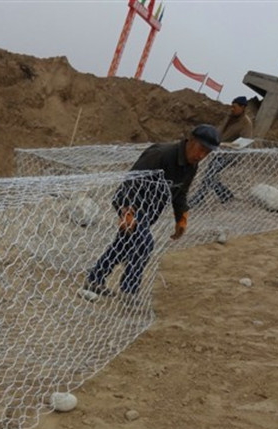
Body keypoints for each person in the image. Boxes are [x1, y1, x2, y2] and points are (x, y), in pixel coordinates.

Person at [82, 124, 220, 301]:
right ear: (191, 140)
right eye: (201, 149)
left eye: (207, 153)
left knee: (124, 244)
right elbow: (131, 180)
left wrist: (181, 218)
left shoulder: (191, 166)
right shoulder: (161, 154)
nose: (201, 155)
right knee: (144, 244)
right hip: (132, 203)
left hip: (150, 210)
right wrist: (127, 211)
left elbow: (180, 193)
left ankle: (95, 279)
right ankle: (129, 291)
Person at [189, 96, 253, 206]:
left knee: (209, 173)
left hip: (230, 155)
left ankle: (199, 198)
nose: (232, 109)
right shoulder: (229, 117)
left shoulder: (246, 123)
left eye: (234, 107)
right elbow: (220, 130)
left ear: (242, 107)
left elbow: (244, 142)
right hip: (218, 151)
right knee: (211, 174)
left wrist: (226, 145)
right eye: (231, 106)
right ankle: (225, 194)